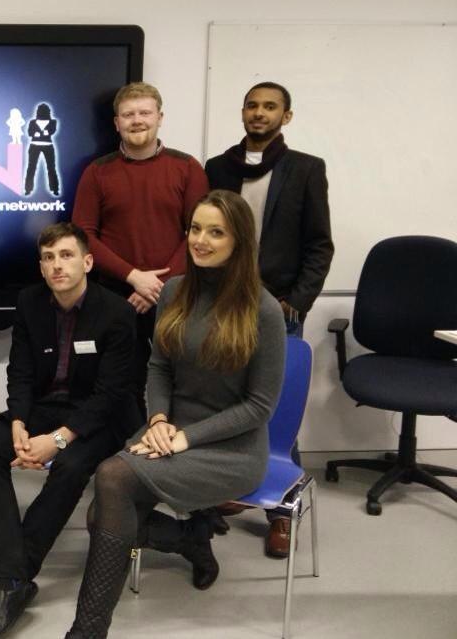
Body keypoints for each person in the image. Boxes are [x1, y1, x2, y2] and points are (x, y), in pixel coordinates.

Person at [64, 190, 286, 638]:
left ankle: (86, 633)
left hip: (231, 448)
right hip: (168, 430)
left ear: (240, 241)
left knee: (112, 478)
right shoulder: (173, 292)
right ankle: (190, 540)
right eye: (195, 229)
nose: (200, 240)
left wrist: (186, 438)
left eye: (216, 232)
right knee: (100, 516)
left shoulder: (263, 309)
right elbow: (159, 367)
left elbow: (259, 406)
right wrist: (160, 420)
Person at [0, 223, 139, 639]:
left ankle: (12, 577)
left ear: (88, 262)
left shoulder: (116, 312)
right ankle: (11, 580)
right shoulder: (29, 302)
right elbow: (21, 372)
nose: (56, 265)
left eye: (66, 255)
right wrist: (19, 422)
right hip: (43, 408)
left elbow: (111, 394)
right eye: (48, 258)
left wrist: (58, 440)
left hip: (99, 416)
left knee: (70, 466)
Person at [204, 82, 333, 557]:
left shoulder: (306, 169)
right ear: (242, 111)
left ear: (286, 116)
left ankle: (282, 511)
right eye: (252, 105)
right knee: (226, 402)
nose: (259, 113)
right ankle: (235, 485)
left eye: (270, 107)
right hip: (224, 306)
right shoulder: (218, 168)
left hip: (279, 310)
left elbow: (319, 245)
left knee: (279, 413)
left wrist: (295, 302)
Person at [72, 82, 209, 416]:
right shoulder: (97, 172)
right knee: (121, 387)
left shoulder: (188, 167)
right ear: (116, 122)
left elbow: (200, 233)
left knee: (182, 383)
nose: (137, 120)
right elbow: (82, 235)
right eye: (128, 114)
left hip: (176, 295)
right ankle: (130, 447)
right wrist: (134, 277)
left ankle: (173, 447)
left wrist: (157, 285)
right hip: (116, 297)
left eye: (145, 113)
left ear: (159, 117)